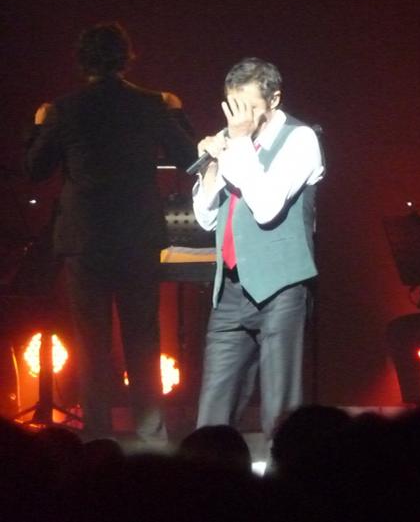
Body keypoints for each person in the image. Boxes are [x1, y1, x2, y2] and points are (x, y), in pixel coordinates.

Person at [23, 22, 196, 441]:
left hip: (85, 240)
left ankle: (97, 438)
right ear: (126, 57)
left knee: (91, 343)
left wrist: (39, 125)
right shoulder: (151, 104)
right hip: (137, 236)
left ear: (82, 61)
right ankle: (151, 437)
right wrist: (176, 112)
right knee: (143, 338)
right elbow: (188, 157)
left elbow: (35, 169)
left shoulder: (65, 109)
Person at [192, 57, 324, 441]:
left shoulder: (300, 139)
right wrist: (211, 166)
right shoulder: (233, 141)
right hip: (231, 289)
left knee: (280, 411)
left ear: (274, 100)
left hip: (281, 287)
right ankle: (209, 471)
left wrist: (238, 146)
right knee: (213, 411)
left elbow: (267, 208)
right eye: (234, 107)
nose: (240, 118)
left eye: (249, 107)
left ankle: (286, 473)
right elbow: (206, 219)